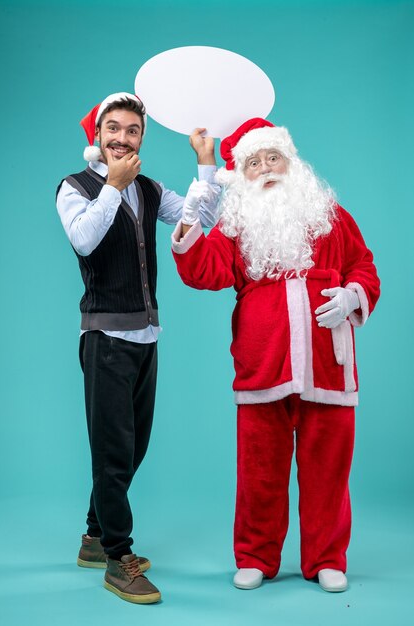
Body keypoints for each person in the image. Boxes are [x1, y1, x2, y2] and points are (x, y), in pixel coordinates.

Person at [171, 118, 380, 593]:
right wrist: (189, 218)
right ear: (241, 175)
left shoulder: (330, 214)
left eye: (272, 158)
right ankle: (256, 556)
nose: (265, 169)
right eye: (253, 162)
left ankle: (327, 558)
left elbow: (364, 266)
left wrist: (352, 296)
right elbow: (202, 270)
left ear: (291, 162)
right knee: (259, 471)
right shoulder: (235, 226)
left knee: (328, 469)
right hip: (262, 363)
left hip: (328, 364)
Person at [56, 92, 219, 604]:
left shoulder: (148, 188)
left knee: (130, 448)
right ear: (96, 136)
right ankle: (116, 558)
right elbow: (84, 240)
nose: (122, 137)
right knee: (112, 453)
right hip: (104, 338)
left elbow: (198, 222)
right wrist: (111, 187)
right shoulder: (74, 187)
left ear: (141, 138)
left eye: (132, 130)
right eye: (113, 128)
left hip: (147, 336)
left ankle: (91, 537)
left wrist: (205, 161)